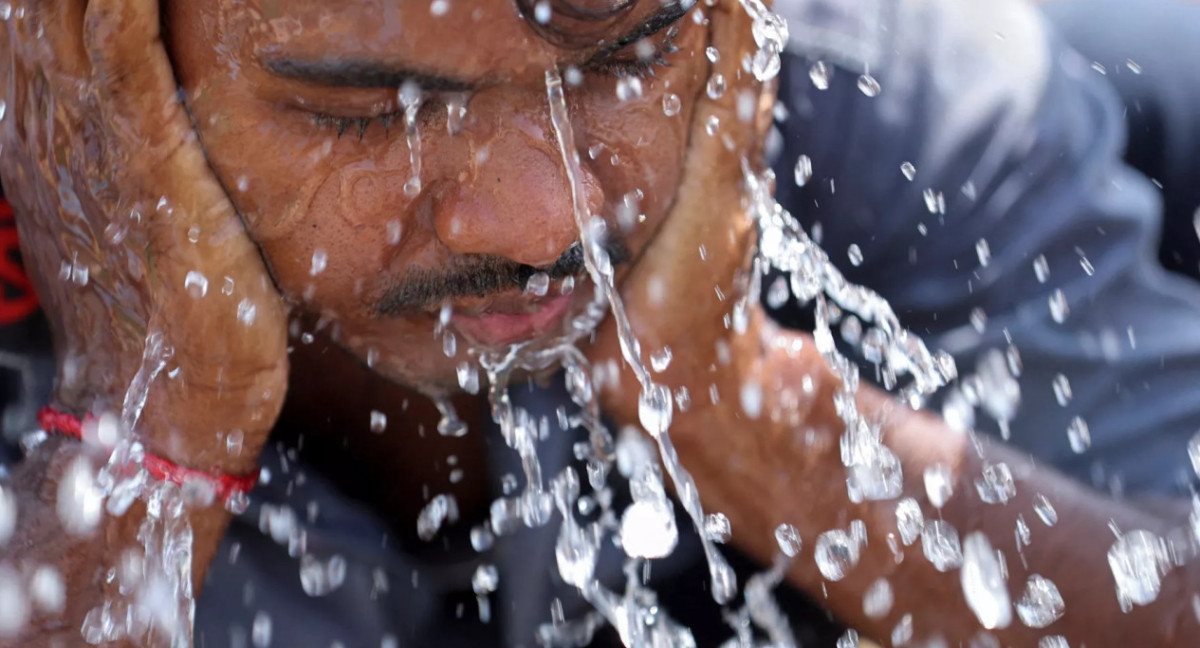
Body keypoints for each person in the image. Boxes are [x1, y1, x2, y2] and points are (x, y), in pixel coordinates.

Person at [0, 0, 1198, 647]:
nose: (542, 220)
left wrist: (743, 406)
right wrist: (145, 420)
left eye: (624, 52)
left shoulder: (857, 80)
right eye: (362, 111)